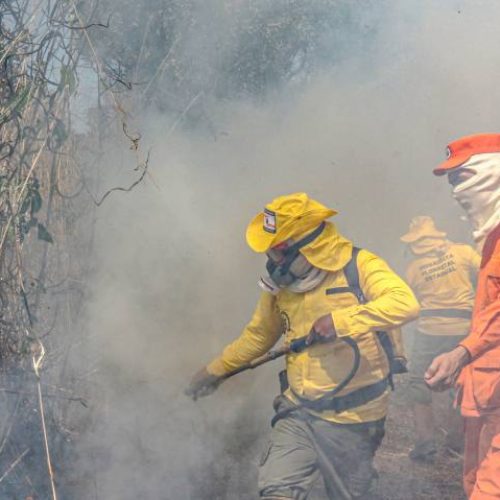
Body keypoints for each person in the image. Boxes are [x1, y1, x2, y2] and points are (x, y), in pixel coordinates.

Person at [186, 193, 419, 499]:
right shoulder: (281, 287)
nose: (272, 261)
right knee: (277, 490)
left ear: (307, 245)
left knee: (346, 494)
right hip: (300, 411)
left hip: (357, 417)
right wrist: (215, 371)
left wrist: (340, 321)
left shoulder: (359, 265)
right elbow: (258, 335)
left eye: (278, 251)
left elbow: (405, 304)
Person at [425, 133, 500, 499]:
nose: (455, 191)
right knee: (473, 482)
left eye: (461, 178)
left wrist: (462, 352)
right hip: (486, 393)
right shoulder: (491, 239)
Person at [401, 215, 480, 462]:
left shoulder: (413, 269)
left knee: (418, 382)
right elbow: (489, 275)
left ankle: (425, 445)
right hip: (463, 329)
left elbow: (408, 303)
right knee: (460, 383)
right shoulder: (464, 252)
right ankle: (456, 445)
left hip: (429, 331)